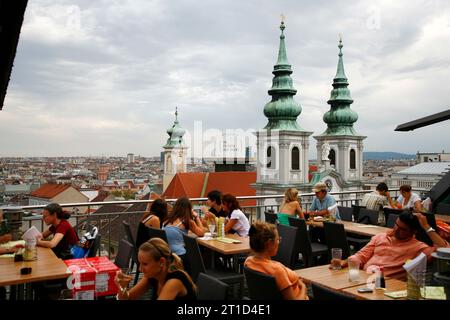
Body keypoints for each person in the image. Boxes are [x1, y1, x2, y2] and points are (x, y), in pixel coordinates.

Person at [330, 211, 449, 279]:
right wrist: (344, 262)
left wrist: (427, 227)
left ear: (413, 232)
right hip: (362, 279)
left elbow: (446, 251)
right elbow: (362, 255)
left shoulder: (419, 248)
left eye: (402, 229)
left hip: (385, 286)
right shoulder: (381, 237)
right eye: (396, 225)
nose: (396, 230)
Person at [115, 238, 196, 300]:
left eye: (145, 264)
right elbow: (128, 298)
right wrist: (122, 287)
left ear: (161, 262)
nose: (140, 269)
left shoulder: (175, 281)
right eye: (140, 263)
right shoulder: (152, 275)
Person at [244, 222, 309, 300]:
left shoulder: (248, 262)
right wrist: (304, 288)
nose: (279, 242)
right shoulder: (278, 271)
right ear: (269, 244)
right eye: (278, 239)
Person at [162, 197, 205, 272]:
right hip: (180, 255)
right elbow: (201, 233)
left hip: (167, 253)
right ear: (189, 209)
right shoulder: (187, 221)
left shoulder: (167, 219)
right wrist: (196, 217)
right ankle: (203, 276)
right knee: (202, 252)